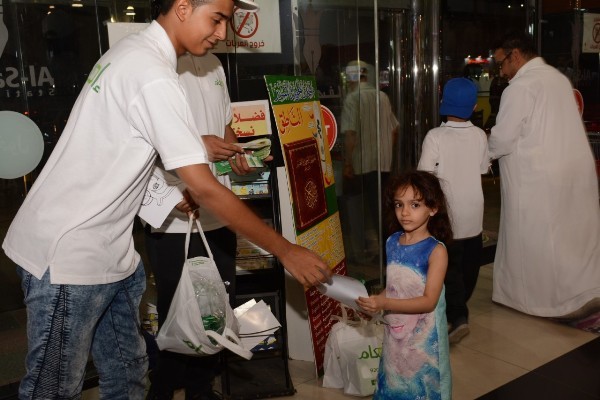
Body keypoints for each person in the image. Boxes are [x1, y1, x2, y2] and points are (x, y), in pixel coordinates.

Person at [1, 1, 331, 398]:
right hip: (68, 253)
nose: (223, 33)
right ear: (183, 7)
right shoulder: (151, 73)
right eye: (217, 18)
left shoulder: (137, 55)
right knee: (53, 389)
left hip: (112, 251)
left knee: (128, 376)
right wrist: (285, 250)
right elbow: (204, 188)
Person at [489, 31, 600, 319]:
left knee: (538, 237)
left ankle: (541, 301)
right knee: (571, 235)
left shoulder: (520, 87)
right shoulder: (558, 79)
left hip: (537, 177)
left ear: (515, 56)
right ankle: (584, 290)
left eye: (501, 63)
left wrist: (482, 152)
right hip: (573, 169)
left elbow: (503, 139)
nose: (501, 72)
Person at [356, 170, 453, 400]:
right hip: (396, 332)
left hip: (426, 339)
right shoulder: (392, 242)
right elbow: (393, 288)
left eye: (415, 205)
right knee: (394, 378)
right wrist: (375, 303)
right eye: (399, 204)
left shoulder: (436, 251)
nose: (405, 212)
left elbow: (428, 302)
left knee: (421, 387)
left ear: (433, 208)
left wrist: (385, 303)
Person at [417, 77, 489, 344]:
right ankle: (458, 311)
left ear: (443, 103)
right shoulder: (480, 135)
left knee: (449, 267)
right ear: (473, 107)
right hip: (474, 212)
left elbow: (424, 175)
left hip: (447, 214)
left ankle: (457, 316)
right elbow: (483, 169)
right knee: (469, 266)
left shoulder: (435, 136)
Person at [340, 60, 399, 264]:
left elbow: (350, 134)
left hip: (362, 163)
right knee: (382, 210)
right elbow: (394, 130)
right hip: (383, 163)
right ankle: (387, 252)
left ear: (351, 77)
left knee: (360, 209)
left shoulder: (352, 99)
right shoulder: (382, 96)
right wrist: (386, 152)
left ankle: (364, 252)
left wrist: (348, 163)